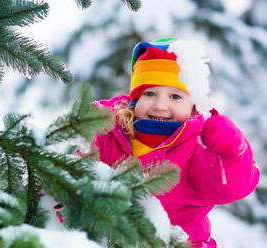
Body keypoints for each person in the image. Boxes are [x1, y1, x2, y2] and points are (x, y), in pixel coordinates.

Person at [91, 38, 260, 248]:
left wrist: (232, 153)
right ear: (135, 100)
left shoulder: (197, 146)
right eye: (150, 93)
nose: (161, 105)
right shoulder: (109, 132)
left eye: (175, 96)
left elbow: (231, 187)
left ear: (193, 106)